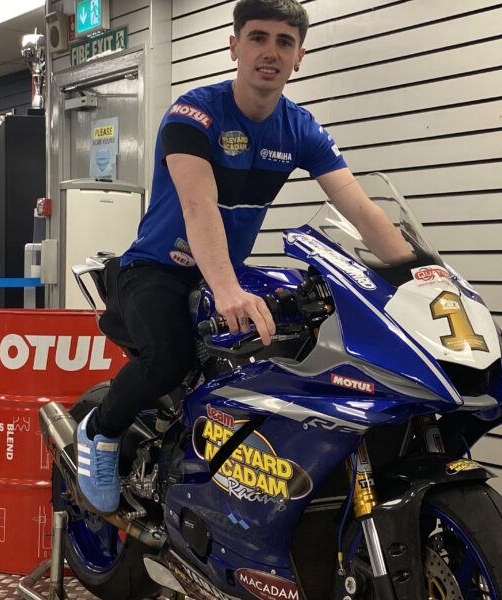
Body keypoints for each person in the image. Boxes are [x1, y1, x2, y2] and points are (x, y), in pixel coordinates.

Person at [76, 0, 413, 513]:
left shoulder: (300, 129)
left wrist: (417, 276)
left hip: (225, 274)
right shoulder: (194, 114)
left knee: (278, 358)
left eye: (284, 42)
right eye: (258, 38)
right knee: (168, 360)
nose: (270, 52)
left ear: (299, 56)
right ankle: (100, 432)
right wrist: (227, 287)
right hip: (158, 269)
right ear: (234, 46)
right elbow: (198, 205)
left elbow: (361, 208)